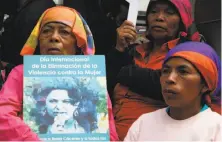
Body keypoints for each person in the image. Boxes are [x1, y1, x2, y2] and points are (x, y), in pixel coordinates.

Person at [0, 6, 118, 141]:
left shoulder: (92, 78)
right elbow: (2, 116)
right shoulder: (21, 73)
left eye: (64, 32)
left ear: (78, 43)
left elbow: (110, 135)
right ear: (39, 40)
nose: (54, 37)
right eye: (46, 31)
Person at [106, 0, 201, 140]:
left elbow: (165, 85)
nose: (159, 17)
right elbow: (100, 87)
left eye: (169, 12)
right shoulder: (132, 52)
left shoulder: (189, 53)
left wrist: (123, 69)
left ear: (182, 20)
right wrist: (119, 49)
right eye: (154, 11)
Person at [124, 41, 221, 141]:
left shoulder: (216, 129)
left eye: (183, 72)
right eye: (165, 71)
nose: (170, 78)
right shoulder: (144, 123)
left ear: (205, 85)